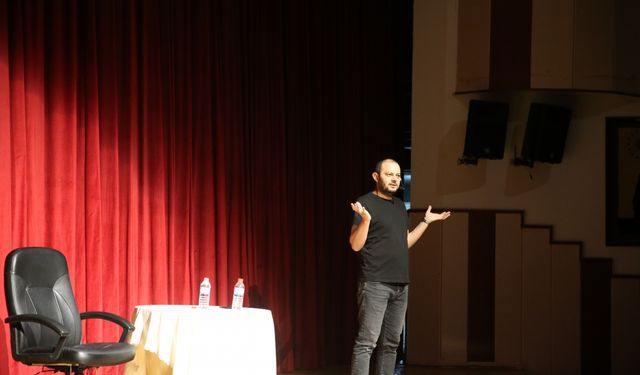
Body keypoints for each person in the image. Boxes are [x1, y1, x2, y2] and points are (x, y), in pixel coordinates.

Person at [349, 158, 451, 375]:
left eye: (397, 175)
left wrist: (425, 222)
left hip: (400, 285)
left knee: (391, 344)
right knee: (367, 343)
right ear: (376, 177)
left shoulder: (399, 206)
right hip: (375, 283)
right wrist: (365, 220)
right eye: (389, 175)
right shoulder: (364, 202)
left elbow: (404, 244)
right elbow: (355, 245)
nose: (395, 179)